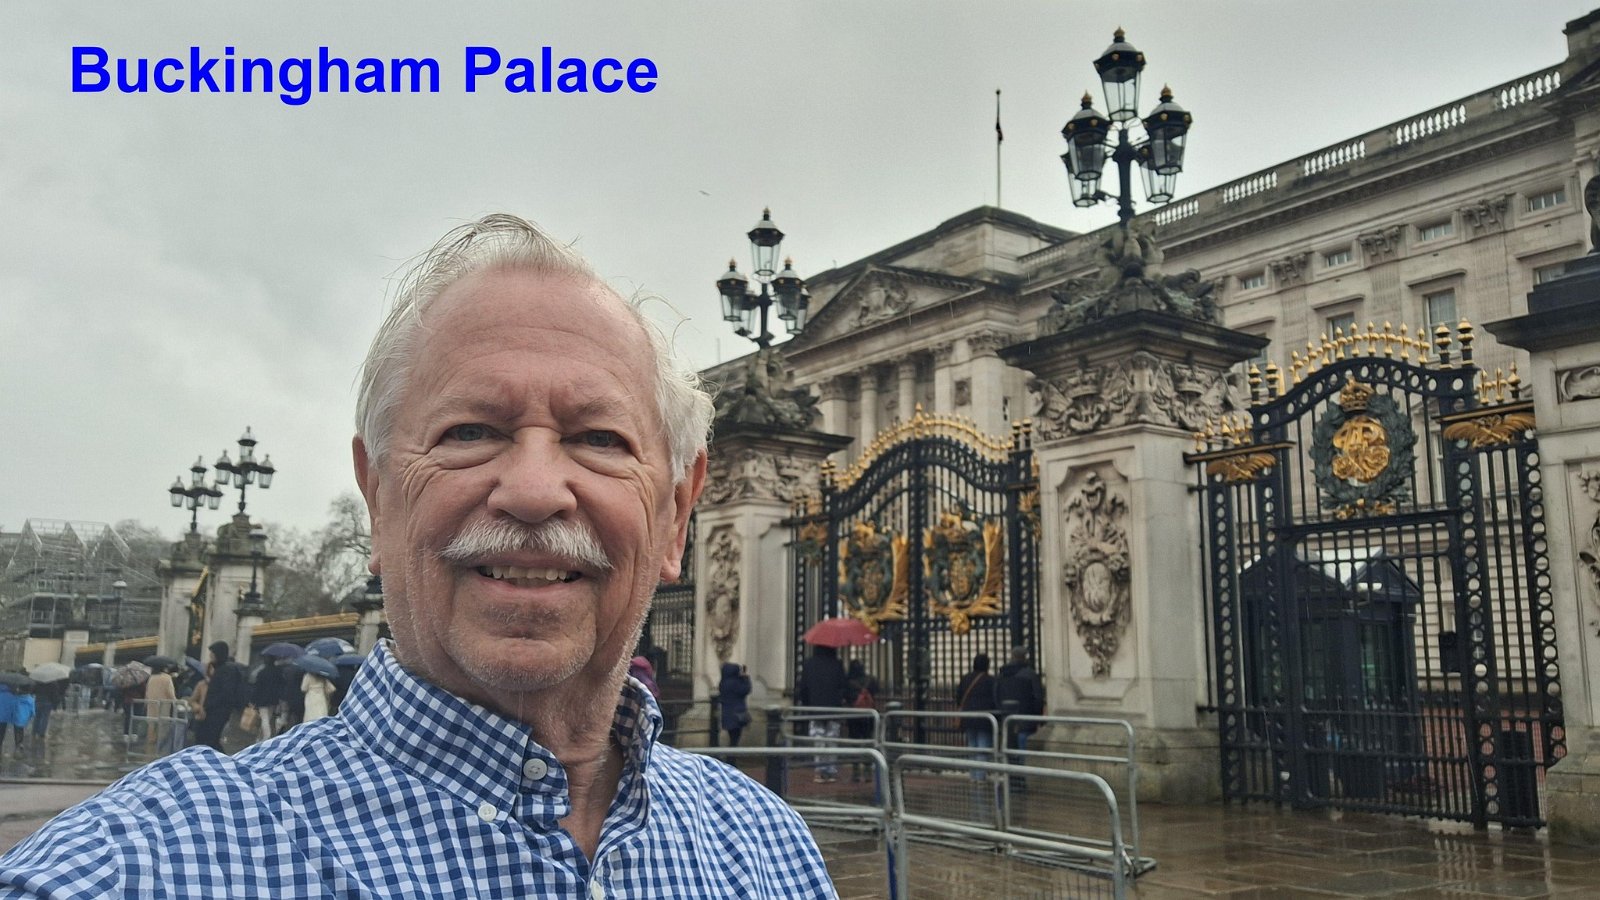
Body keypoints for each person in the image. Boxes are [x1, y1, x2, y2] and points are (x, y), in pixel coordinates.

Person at [0, 213, 832, 897]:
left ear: (678, 514)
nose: (535, 490)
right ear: (378, 496)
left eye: (599, 439)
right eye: (471, 432)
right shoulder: (138, 865)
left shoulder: (766, 845)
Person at [797, 645, 848, 783]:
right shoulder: (837, 664)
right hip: (833, 710)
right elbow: (843, 686)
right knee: (832, 741)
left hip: (815, 709)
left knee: (818, 741)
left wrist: (807, 705)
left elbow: (803, 688)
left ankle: (819, 771)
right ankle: (831, 770)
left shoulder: (809, 664)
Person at [193, 641, 246, 752]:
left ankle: (222, 760)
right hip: (213, 711)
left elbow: (225, 693)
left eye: (213, 653)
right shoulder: (220, 669)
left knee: (210, 740)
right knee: (207, 740)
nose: (210, 656)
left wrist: (210, 705)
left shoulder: (225, 670)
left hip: (217, 712)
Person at [995, 646, 1046, 753]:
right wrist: (1039, 718)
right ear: (1024, 657)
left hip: (1007, 718)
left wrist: (1001, 711)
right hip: (1027, 718)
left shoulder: (1002, 674)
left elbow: (996, 695)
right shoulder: (1030, 674)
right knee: (1024, 750)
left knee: (1009, 750)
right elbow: (1038, 697)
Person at [955, 653, 998, 767]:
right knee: (983, 748)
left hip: (968, 717)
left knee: (972, 746)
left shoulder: (965, 678)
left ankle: (974, 774)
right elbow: (995, 699)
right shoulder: (991, 680)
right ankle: (980, 775)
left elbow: (959, 697)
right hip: (985, 718)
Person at [844, 660, 880, 782]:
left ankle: (856, 771)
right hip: (868, 716)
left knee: (855, 743)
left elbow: (845, 696)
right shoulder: (870, 680)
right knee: (868, 741)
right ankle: (868, 769)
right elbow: (877, 691)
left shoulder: (848, 682)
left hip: (854, 716)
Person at [718, 662, 752, 747]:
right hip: (737, 714)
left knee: (732, 736)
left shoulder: (723, 682)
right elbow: (746, 689)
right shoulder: (735, 683)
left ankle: (731, 753)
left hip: (727, 714)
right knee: (735, 738)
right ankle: (732, 754)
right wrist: (746, 678)